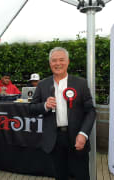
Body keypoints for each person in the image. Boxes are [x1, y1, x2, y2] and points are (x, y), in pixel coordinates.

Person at [29, 47, 95, 180]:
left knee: (81, 175)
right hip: (54, 140)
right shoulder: (42, 85)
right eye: (54, 60)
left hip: (77, 138)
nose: (57, 63)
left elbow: (91, 111)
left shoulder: (80, 83)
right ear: (50, 64)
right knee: (60, 176)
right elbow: (32, 109)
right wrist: (45, 106)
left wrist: (83, 134)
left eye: (61, 60)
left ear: (68, 62)